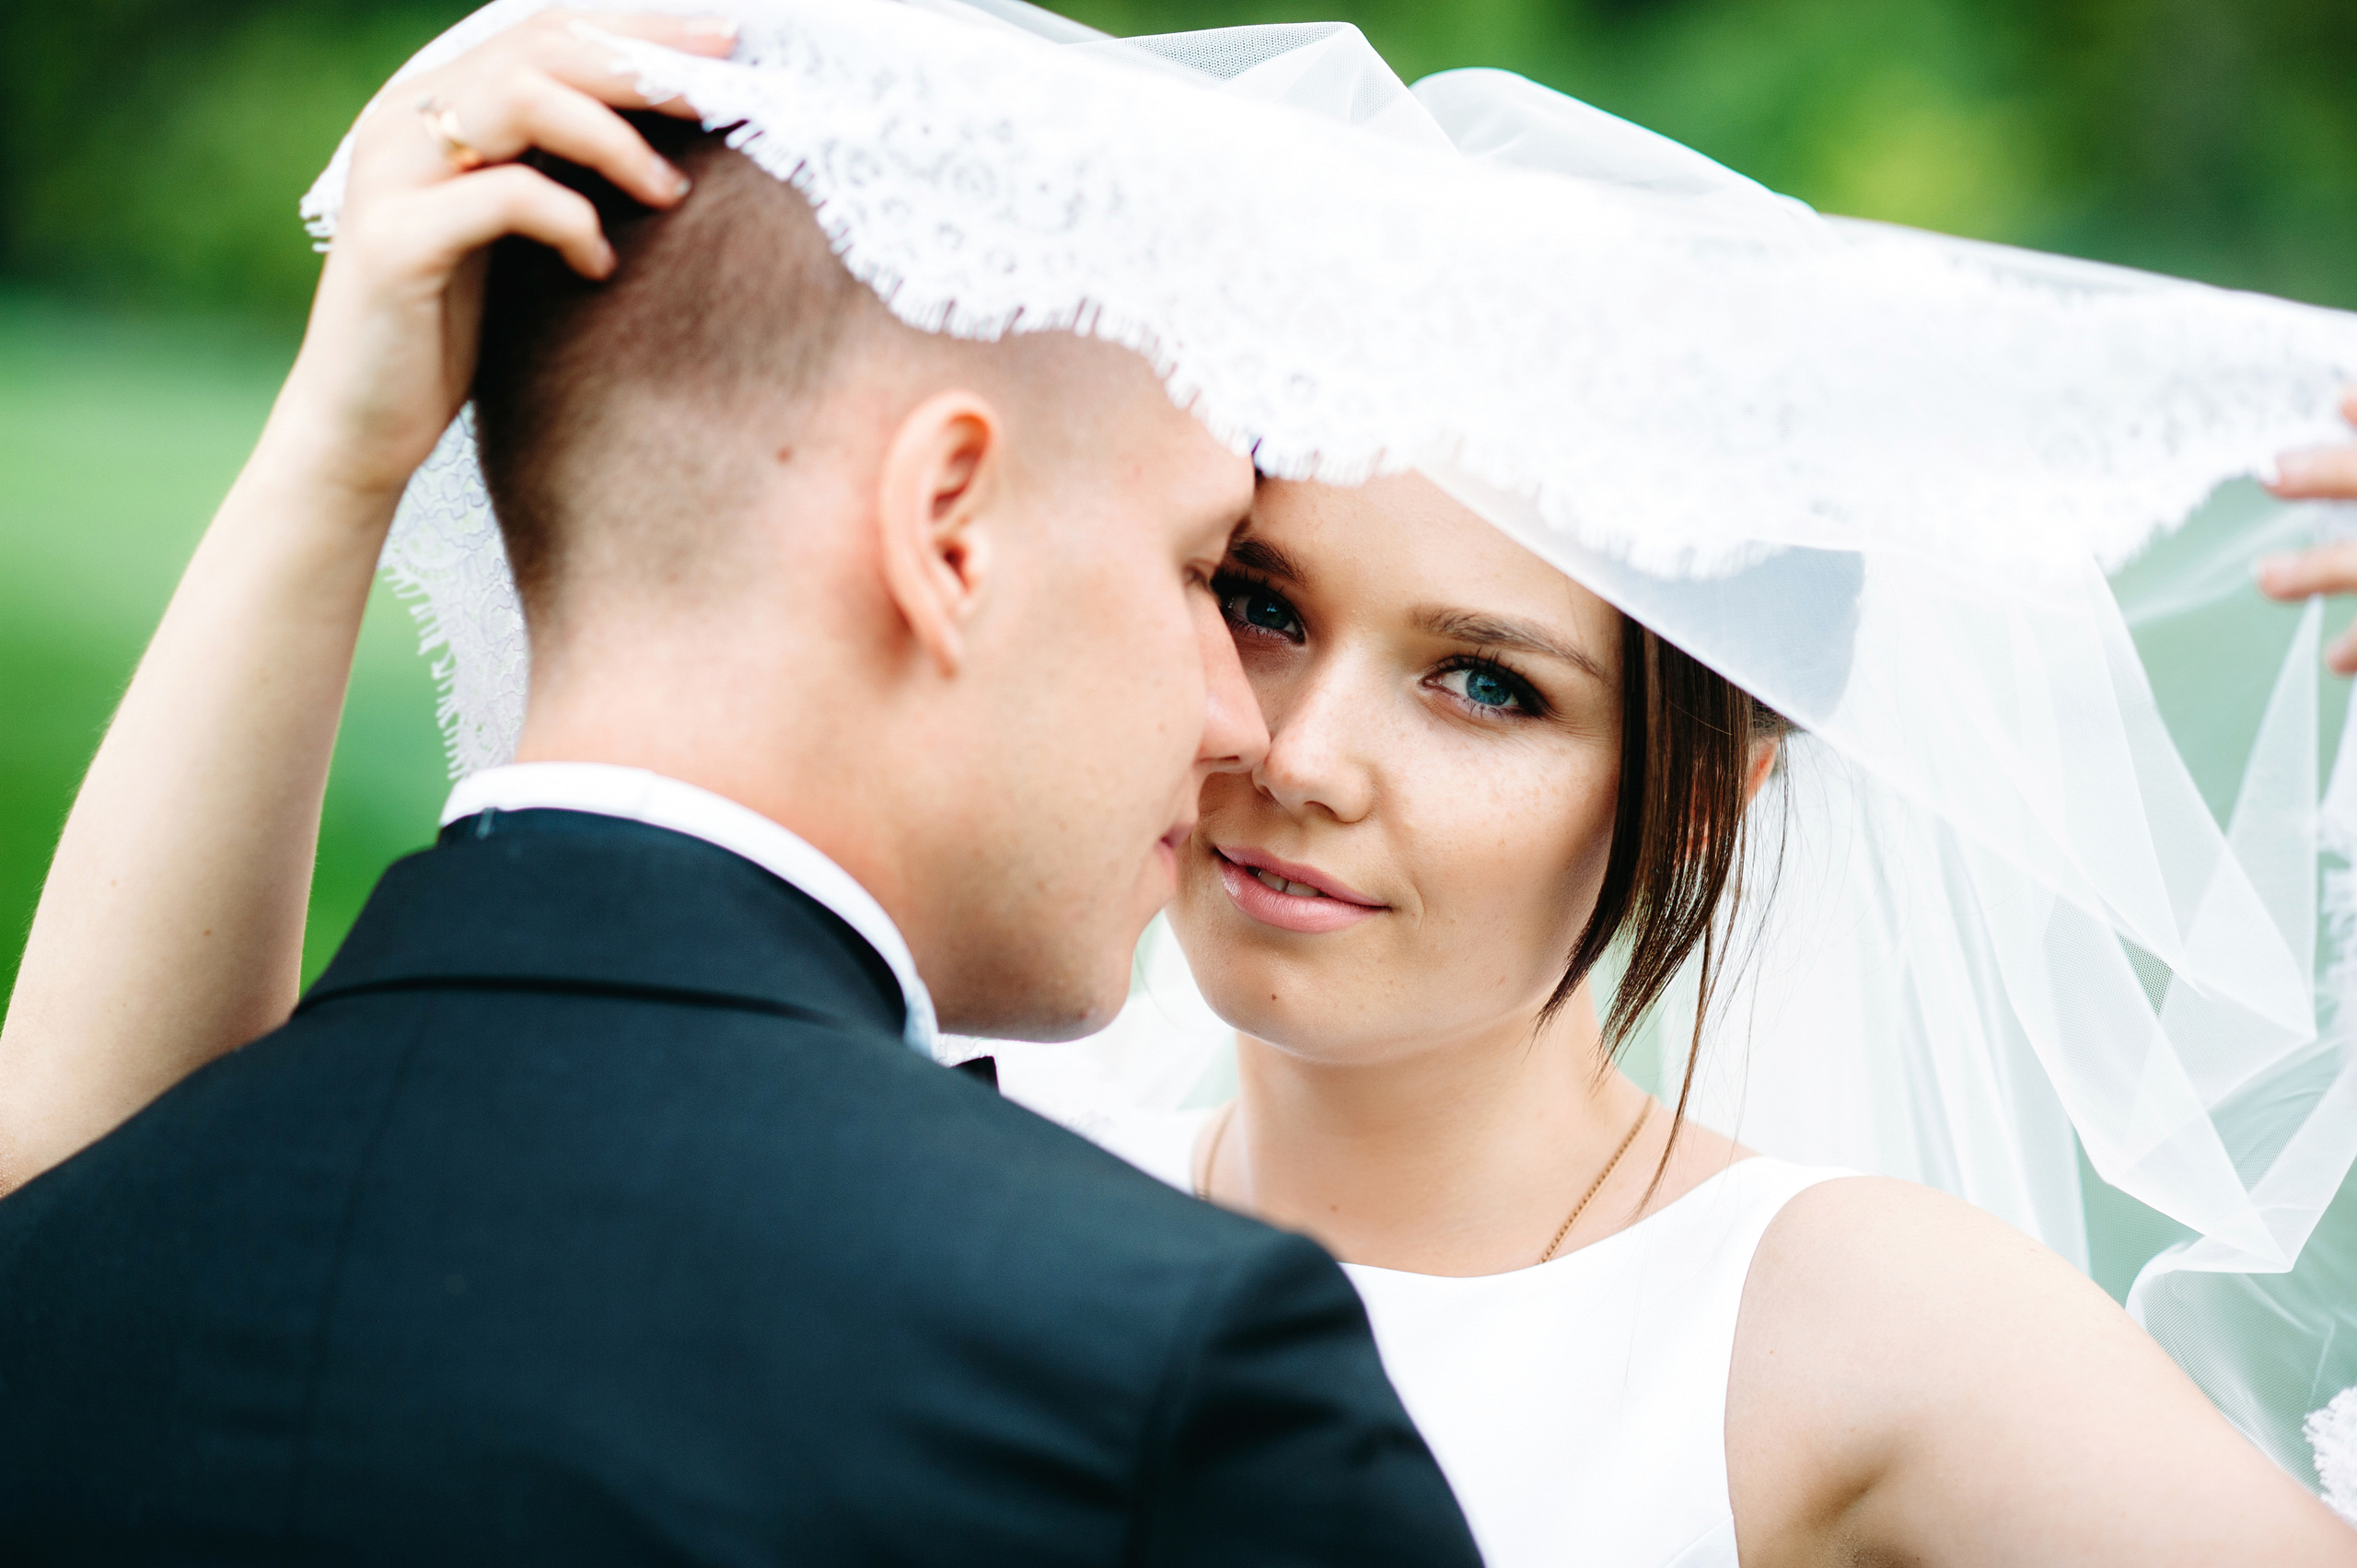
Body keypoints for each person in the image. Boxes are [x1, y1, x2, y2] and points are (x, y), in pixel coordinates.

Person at [8, 4, 2357, 1566]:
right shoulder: (981, 1155)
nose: (1289, 752)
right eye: (1250, 593)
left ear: (1709, 793)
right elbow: (110, 1195)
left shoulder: (1854, 1318)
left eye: (1483, 689)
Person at [0, 13, 1483, 1566]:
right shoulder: (1160, 1380)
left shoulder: (78, 1253)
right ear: (950, 528)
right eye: (1202, 571)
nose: (1239, 721)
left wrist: (335, 452)